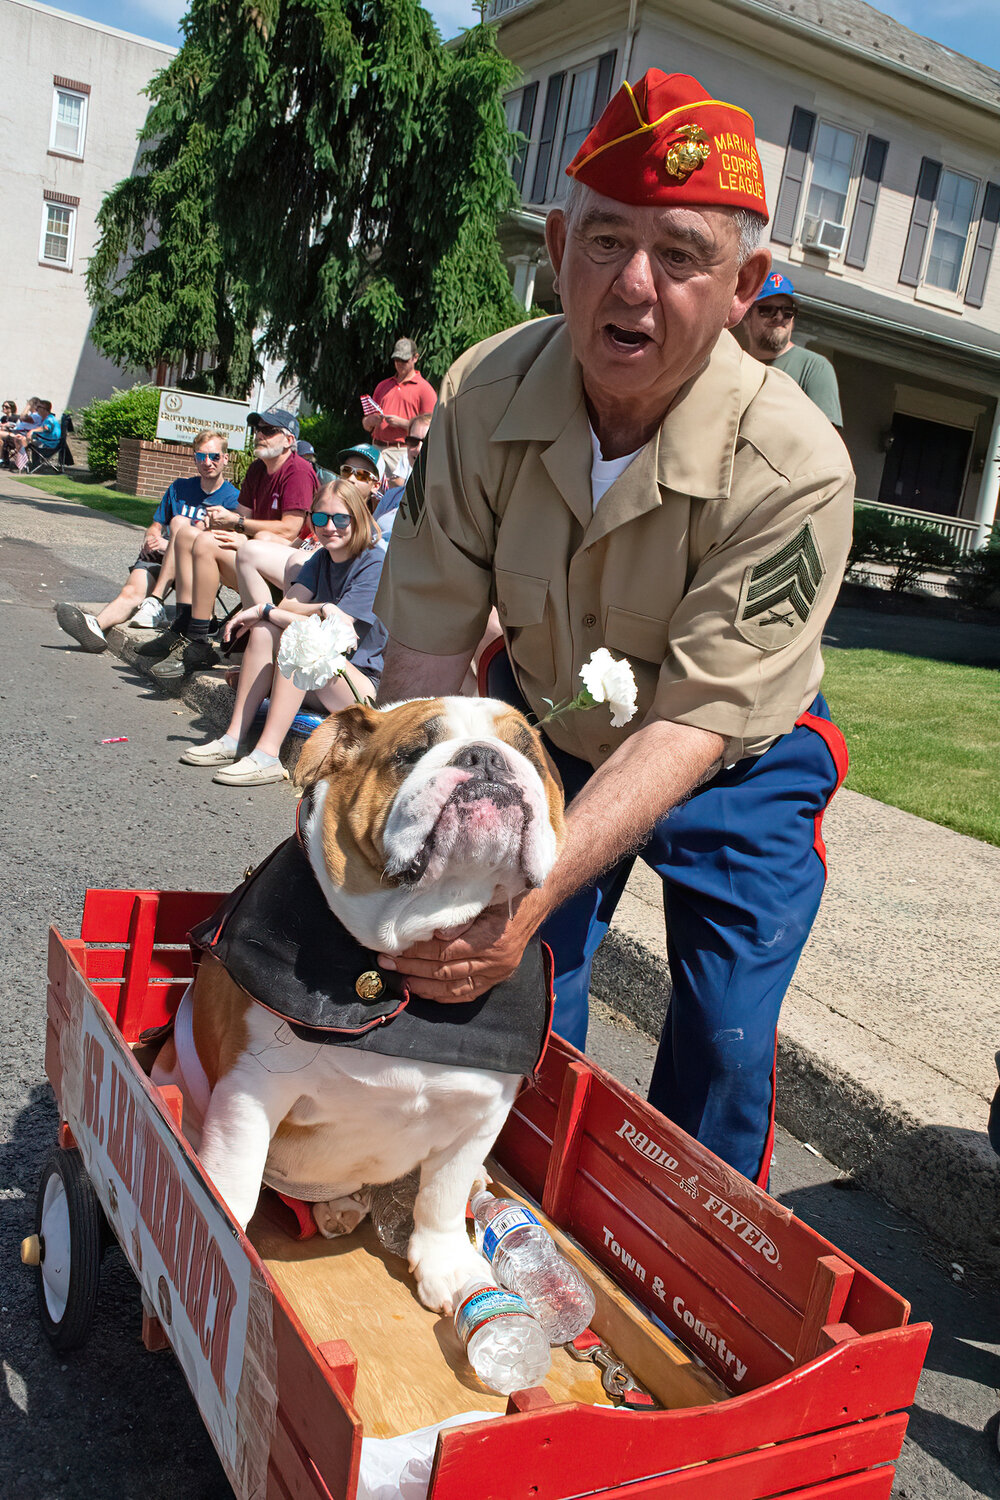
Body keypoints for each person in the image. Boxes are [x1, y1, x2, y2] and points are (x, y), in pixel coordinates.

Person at [373, 69, 854, 1187]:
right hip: (550, 716)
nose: (631, 285)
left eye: (681, 255)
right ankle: (514, 1204)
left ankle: (700, 1257)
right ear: (555, 243)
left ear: (742, 287)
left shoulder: (795, 465)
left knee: (727, 1033)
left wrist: (529, 885)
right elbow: (431, 649)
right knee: (519, 969)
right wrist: (405, 839)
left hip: (734, 750)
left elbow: (693, 720)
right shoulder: (485, 394)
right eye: (603, 241)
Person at [179, 478, 386, 785]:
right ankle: (233, 738)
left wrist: (267, 608)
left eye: (341, 518)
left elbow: (335, 628)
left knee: (302, 639)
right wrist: (319, 608)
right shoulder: (321, 558)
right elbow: (289, 607)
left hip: (361, 688)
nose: (330, 526)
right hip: (322, 677)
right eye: (320, 518)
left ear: (358, 517)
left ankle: (267, 756)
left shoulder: (374, 563)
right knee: (265, 630)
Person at [147, 407, 317, 681]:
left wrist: (238, 528)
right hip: (254, 558)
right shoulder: (257, 469)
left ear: (288, 440)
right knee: (188, 531)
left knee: (207, 543)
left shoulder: (298, 470)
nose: (260, 435)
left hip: (286, 575)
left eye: (269, 430)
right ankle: (184, 626)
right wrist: (219, 521)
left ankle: (198, 640)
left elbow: (290, 530)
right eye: (258, 430)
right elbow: (241, 517)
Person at [55, 431, 237, 652]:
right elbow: (156, 524)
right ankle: (95, 627)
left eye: (214, 456)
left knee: (180, 523)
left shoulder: (233, 499)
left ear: (226, 458)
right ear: (194, 458)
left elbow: (217, 540)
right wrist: (152, 537)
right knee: (130, 592)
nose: (207, 463)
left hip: (197, 566)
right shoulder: (179, 487)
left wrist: (169, 545)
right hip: (161, 557)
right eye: (201, 457)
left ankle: (156, 600)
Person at [230, 442, 381, 613]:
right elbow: (297, 543)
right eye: (347, 471)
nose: (351, 478)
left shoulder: (367, 524)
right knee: (255, 544)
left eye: (362, 475)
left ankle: (270, 624)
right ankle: (259, 624)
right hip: (302, 559)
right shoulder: (324, 505)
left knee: (292, 559)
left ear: (375, 485)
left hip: (315, 571)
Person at [739, 274, 842, 426]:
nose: (779, 317)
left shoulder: (814, 368)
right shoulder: (737, 364)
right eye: (767, 310)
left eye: (787, 311)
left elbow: (824, 440)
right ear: (747, 317)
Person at [361, 338, 437, 479]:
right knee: (372, 495)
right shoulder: (383, 386)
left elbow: (433, 428)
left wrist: (402, 423)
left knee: (397, 495)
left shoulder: (424, 389)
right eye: (397, 360)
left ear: (415, 358)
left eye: (404, 360)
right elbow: (366, 425)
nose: (399, 364)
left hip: (401, 452)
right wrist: (370, 420)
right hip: (376, 448)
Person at [372, 414, 431, 552]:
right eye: (412, 441)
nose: (418, 448)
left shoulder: (447, 498)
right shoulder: (392, 495)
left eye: (427, 441)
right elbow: (369, 533)